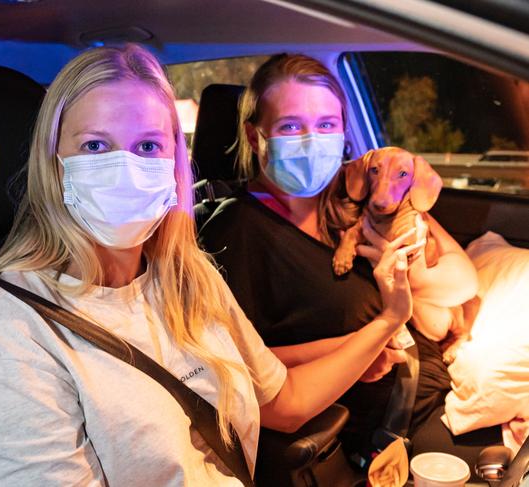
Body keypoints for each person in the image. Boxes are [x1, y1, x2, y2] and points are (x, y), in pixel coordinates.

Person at [0, 45, 418, 486]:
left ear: (175, 164)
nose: (125, 168)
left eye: (148, 146)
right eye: (95, 146)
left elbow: (283, 399)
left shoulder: (189, 278)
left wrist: (391, 319)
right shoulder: (9, 338)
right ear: (53, 161)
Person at [198, 53, 501, 469]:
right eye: (290, 126)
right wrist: (358, 348)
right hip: (380, 436)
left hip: (447, 391)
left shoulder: (358, 191)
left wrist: (402, 271)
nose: (311, 140)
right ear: (255, 137)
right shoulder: (235, 230)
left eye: (326, 125)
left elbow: (463, 280)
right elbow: (239, 367)